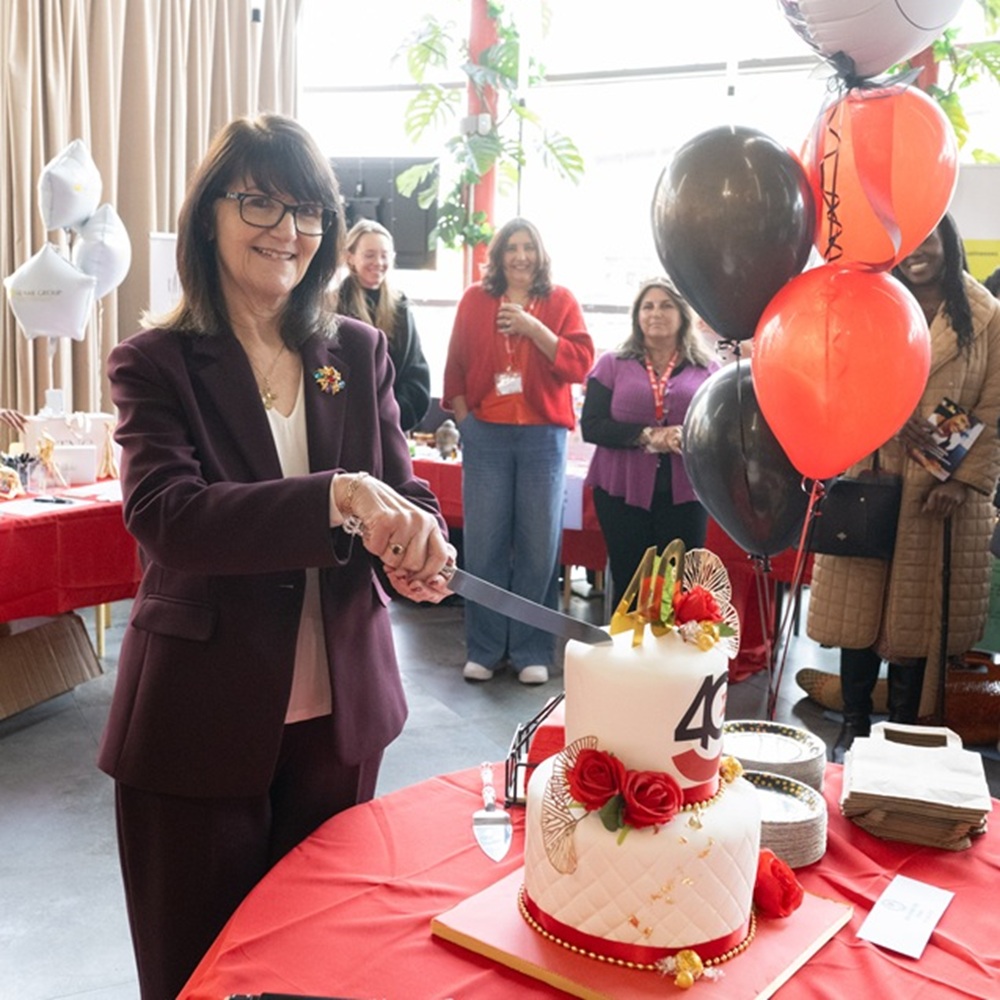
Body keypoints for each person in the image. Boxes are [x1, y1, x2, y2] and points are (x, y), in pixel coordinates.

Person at [98, 113, 455, 999]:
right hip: (198, 722)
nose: (286, 230)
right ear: (208, 215)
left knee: (321, 966)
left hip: (341, 721)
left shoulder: (355, 351)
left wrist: (418, 544)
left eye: (306, 209)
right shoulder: (157, 363)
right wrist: (336, 497)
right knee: (201, 974)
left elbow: (404, 493)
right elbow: (168, 516)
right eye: (258, 201)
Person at [807, 214, 1000, 762]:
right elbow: (839, 379)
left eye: (928, 239)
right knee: (858, 609)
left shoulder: (986, 317)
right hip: (871, 473)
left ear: (949, 241)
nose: (917, 252)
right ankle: (854, 723)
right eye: (906, 243)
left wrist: (962, 483)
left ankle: (902, 732)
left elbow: (995, 407)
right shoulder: (873, 302)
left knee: (916, 616)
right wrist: (891, 418)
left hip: (941, 492)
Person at [442, 217, 594, 684]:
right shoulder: (474, 300)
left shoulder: (560, 301)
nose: (520, 256)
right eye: (512, 247)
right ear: (500, 255)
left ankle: (531, 650)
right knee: (484, 545)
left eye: (529, 247)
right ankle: (485, 650)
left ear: (540, 254)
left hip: (542, 438)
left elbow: (580, 363)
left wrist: (533, 327)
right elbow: (456, 364)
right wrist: (466, 422)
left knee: (538, 547)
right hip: (486, 432)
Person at [581, 277, 718, 609]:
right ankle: (630, 659)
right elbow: (592, 426)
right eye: (648, 306)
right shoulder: (612, 364)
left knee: (676, 592)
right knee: (632, 587)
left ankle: (665, 661)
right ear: (637, 316)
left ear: (683, 314)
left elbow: (718, 431)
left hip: (686, 495)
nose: (656, 313)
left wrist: (691, 436)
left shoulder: (707, 369)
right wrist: (649, 437)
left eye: (666, 305)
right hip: (620, 493)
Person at [335, 219, 431, 432]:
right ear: (350, 257)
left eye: (385, 255)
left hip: (394, 420)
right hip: (346, 424)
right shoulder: (333, 307)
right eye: (369, 255)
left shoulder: (401, 307)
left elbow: (416, 370)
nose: (378, 262)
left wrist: (393, 413)